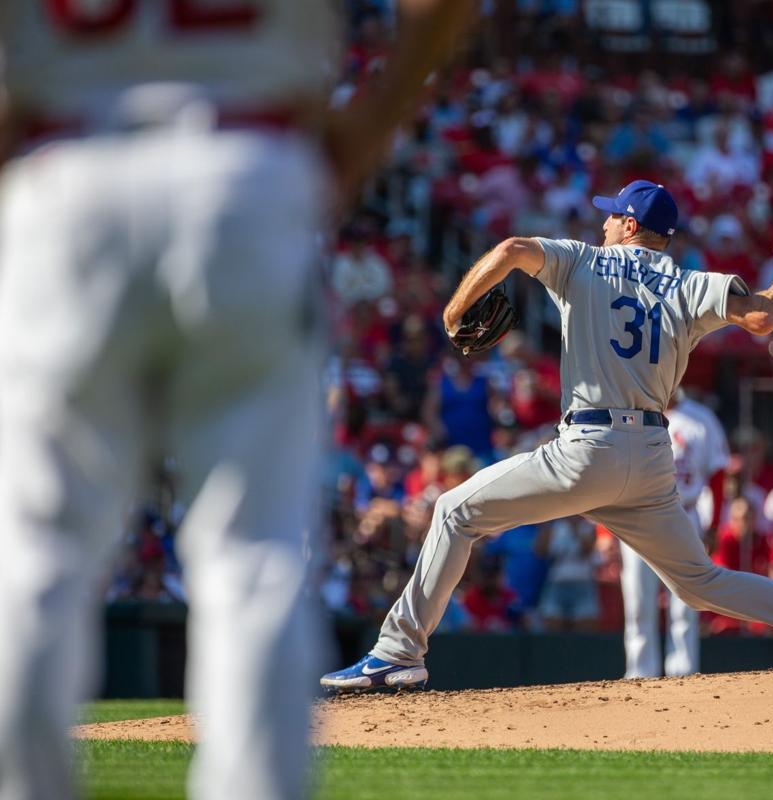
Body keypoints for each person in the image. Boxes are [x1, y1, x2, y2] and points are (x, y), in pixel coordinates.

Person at [0, 3, 478, 799]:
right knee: (253, 553)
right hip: (247, 168)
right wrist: (369, 126)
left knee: (37, 554)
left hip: (67, 166)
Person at [322, 179, 773, 692]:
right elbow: (765, 315)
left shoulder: (581, 261)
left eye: (612, 213)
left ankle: (398, 653)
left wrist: (455, 311)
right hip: (653, 457)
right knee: (700, 583)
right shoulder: (689, 282)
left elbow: (509, 249)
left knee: (454, 510)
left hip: (588, 446)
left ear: (630, 224)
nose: (603, 220)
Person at [620, 390, 729, 678]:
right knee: (638, 603)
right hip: (637, 515)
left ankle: (683, 673)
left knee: (685, 602)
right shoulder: (631, 412)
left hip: (684, 512)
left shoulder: (701, 419)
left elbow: (718, 475)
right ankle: (640, 674)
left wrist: (715, 523)